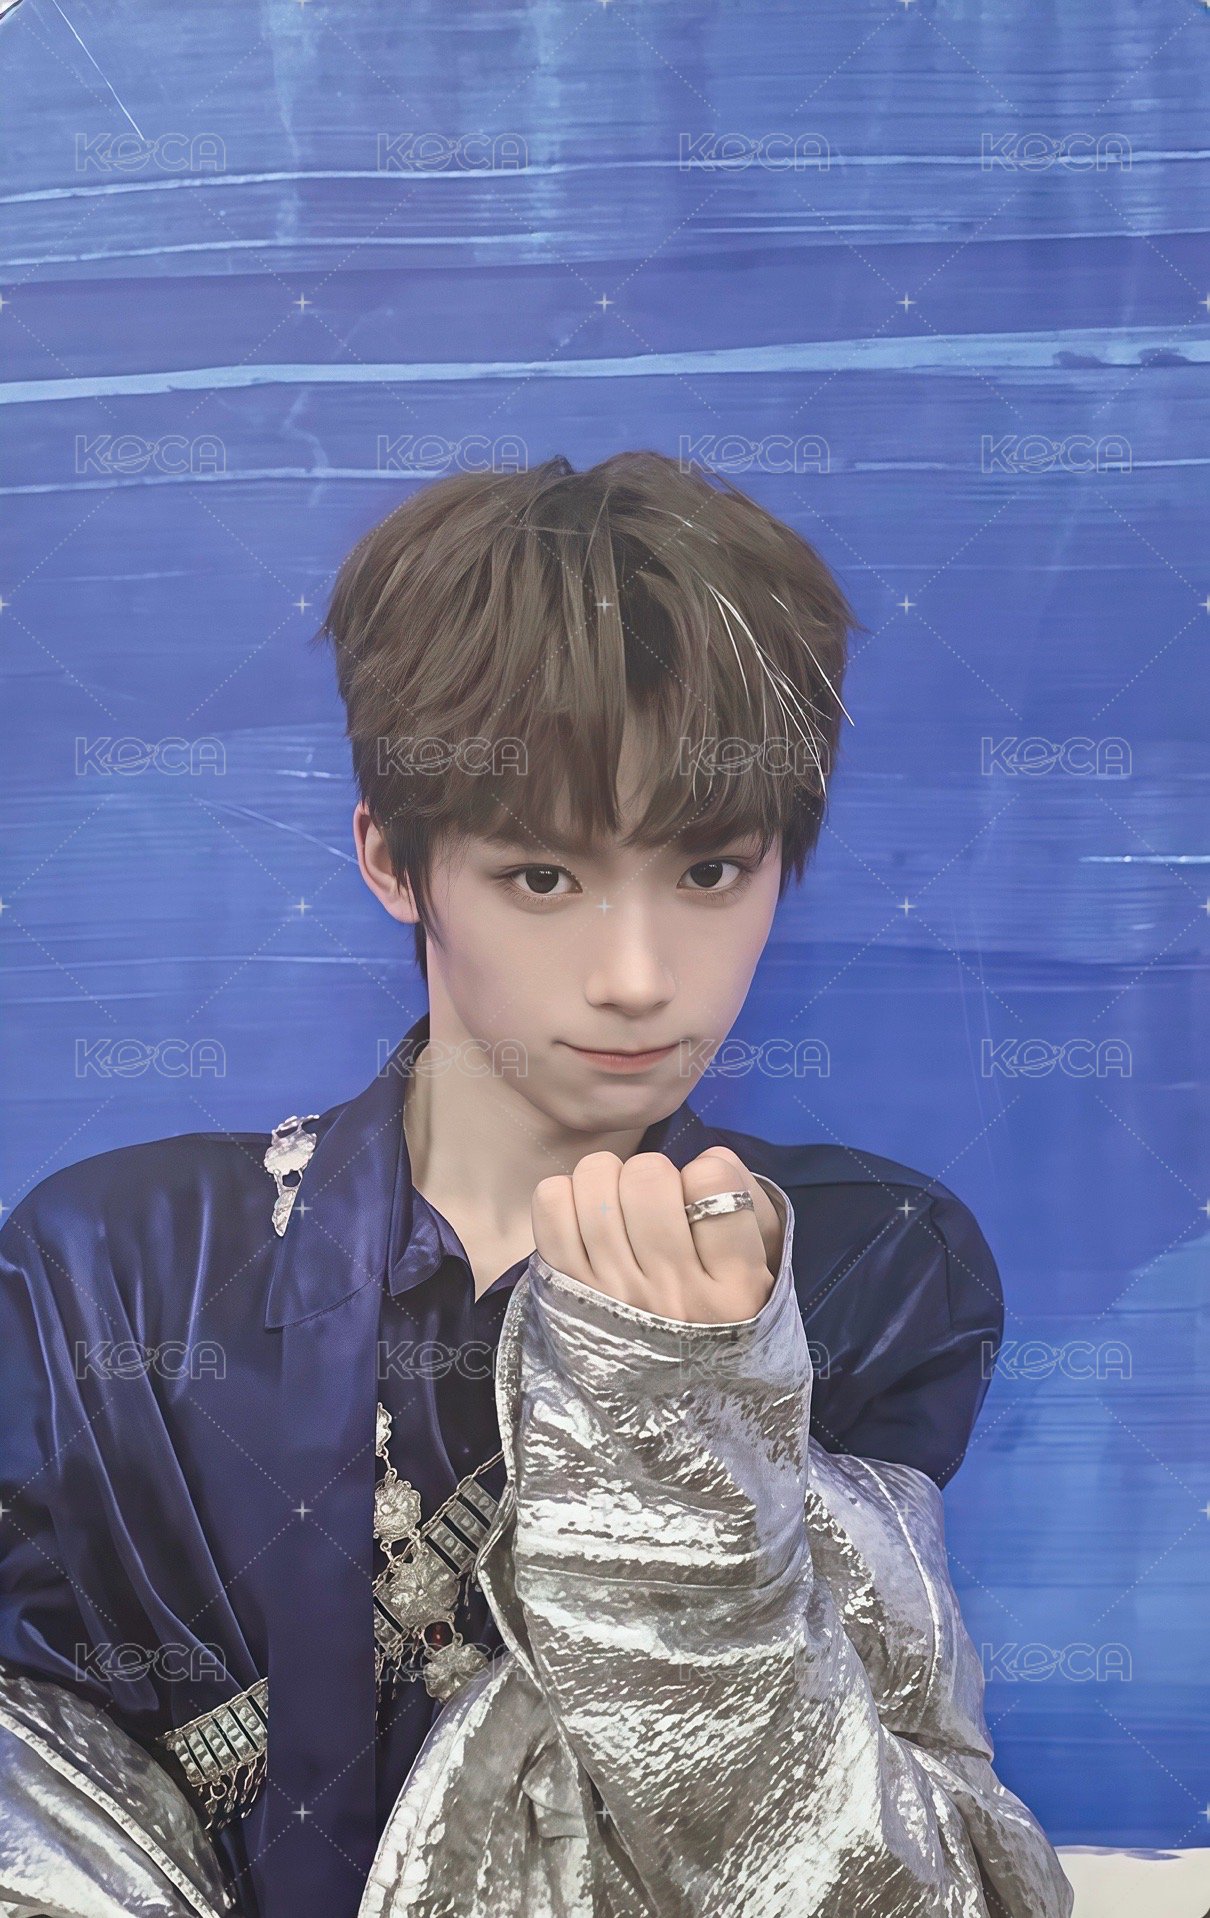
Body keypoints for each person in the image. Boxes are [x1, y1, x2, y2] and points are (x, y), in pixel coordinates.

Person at [0, 453, 1071, 1918]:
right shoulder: (114, 1269)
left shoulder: (860, 1266)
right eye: (544, 878)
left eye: (710, 871)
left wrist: (684, 1448)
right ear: (393, 859)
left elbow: (900, 1877)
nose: (637, 976)